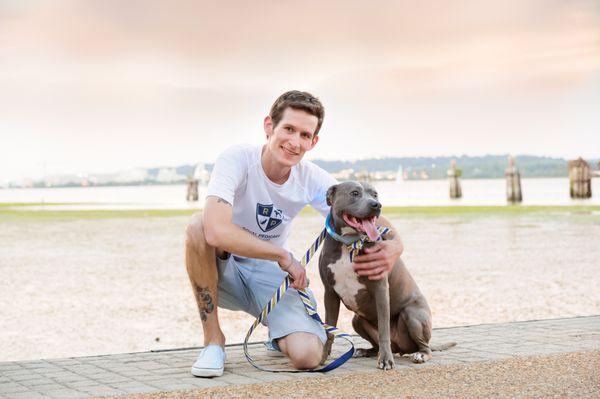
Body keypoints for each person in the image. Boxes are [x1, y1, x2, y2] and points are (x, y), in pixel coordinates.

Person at [185, 90, 404, 377]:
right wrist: (282, 255)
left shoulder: (311, 178)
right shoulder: (237, 159)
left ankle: (279, 332)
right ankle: (213, 341)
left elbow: (359, 208)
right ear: (269, 126)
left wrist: (395, 246)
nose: (294, 142)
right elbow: (215, 231)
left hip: (268, 277)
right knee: (197, 226)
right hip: (222, 271)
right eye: (288, 129)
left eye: (304, 135)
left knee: (308, 356)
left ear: (313, 142)